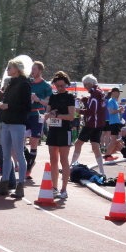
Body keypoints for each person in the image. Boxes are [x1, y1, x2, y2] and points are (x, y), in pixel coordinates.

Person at [0, 59, 31, 197]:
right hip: (6, 122)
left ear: (17, 68)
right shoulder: (11, 83)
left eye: (9, 67)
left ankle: (20, 186)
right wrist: (2, 105)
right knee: (6, 155)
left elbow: (27, 107)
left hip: (17, 123)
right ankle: (4, 184)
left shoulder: (24, 83)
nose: (7, 69)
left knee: (19, 155)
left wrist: (8, 106)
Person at [44, 71, 75, 199]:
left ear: (66, 84)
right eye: (57, 86)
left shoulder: (69, 97)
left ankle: (64, 189)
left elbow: (71, 116)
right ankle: (54, 187)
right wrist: (49, 115)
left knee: (63, 160)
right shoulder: (53, 97)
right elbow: (47, 113)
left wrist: (57, 115)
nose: (60, 88)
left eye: (62, 86)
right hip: (53, 130)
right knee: (53, 159)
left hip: (64, 130)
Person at [70, 74, 106, 175]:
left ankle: (71, 166)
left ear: (90, 83)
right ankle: (102, 171)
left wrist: (79, 111)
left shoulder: (95, 94)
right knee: (95, 146)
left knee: (78, 143)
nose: (84, 86)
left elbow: (92, 111)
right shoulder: (99, 91)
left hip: (92, 123)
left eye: (85, 84)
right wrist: (85, 99)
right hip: (99, 123)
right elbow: (95, 102)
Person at [26, 61, 51, 178]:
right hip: (26, 114)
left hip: (38, 115)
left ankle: (28, 169)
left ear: (40, 71)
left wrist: (38, 99)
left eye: (34, 69)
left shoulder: (45, 85)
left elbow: (49, 102)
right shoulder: (28, 82)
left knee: (34, 141)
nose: (32, 71)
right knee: (20, 141)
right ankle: (29, 159)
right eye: (32, 69)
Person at [103, 87, 123, 161]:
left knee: (115, 140)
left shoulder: (115, 101)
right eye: (118, 92)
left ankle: (109, 154)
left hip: (116, 122)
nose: (119, 94)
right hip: (113, 122)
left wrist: (119, 111)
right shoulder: (111, 100)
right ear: (113, 92)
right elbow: (110, 111)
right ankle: (107, 155)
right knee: (113, 140)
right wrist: (119, 110)